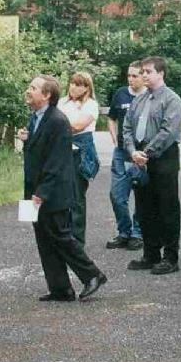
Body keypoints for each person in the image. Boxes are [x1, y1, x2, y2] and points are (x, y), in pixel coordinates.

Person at [22, 75, 108, 302]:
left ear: (47, 95)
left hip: (52, 192)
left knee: (61, 236)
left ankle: (93, 274)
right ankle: (61, 288)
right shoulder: (36, 117)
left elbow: (57, 162)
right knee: (43, 238)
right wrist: (26, 140)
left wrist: (41, 194)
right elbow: (39, 153)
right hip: (34, 189)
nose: (28, 91)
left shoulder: (58, 121)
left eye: (33, 88)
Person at [123, 56, 181, 275]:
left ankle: (170, 257)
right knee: (144, 207)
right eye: (143, 72)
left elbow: (168, 131)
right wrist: (133, 151)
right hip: (140, 158)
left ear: (161, 73)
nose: (144, 76)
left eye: (148, 72)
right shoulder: (139, 100)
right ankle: (150, 254)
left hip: (163, 158)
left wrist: (146, 153)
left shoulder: (172, 100)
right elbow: (127, 127)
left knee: (167, 208)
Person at [105, 61, 144, 250]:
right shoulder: (121, 94)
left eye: (135, 76)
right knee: (117, 195)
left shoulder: (148, 96)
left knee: (142, 195)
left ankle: (138, 233)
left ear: (143, 76)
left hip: (142, 154)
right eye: (129, 75)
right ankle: (124, 232)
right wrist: (114, 137)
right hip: (121, 152)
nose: (131, 79)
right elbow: (111, 119)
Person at [58, 72, 101, 244]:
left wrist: (57, 126)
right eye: (72, 83)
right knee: (60, 196)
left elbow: (77, 126)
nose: (74, 87)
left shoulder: (91, 105)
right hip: (61, 151)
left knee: (77, 197)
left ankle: (77, 239)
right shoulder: (62, 102)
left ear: (87, 88)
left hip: (80, 153)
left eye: (79, 84)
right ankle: (63, 235)